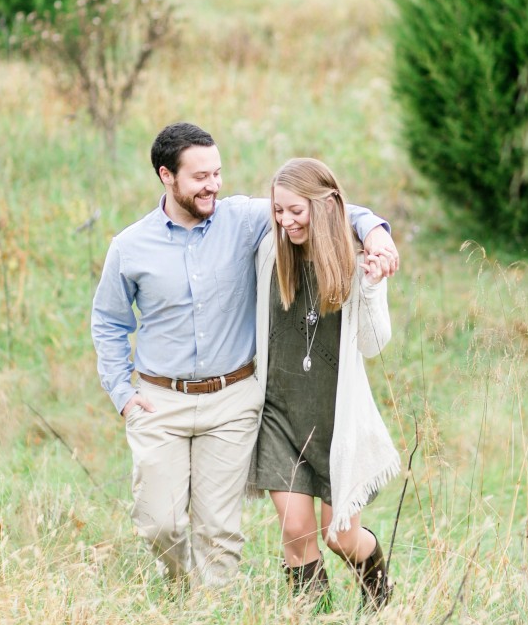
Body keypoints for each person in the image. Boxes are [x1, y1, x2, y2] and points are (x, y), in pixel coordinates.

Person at [91, 123, 399, 588]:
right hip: (180, 402)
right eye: (199, 177)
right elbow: (110, 322)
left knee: (250, 532)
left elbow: (324, 204)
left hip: (261, 405)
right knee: (170, 525)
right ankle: (196, 598)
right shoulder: (134, 246)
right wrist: (122, 392)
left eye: (216, 173)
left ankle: (226, 618)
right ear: (166, 176)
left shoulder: (243, 220)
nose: (212, 184)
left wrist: (374, 231)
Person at [251, 157, 401, 610]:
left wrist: (373, 286)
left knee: (341, 537)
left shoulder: (358, 263)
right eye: (278, 210)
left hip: (337, 421)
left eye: (296, 211)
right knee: (296, 530)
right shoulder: (267, 253)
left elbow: (374, 345)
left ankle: (380, 596)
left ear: (325, 203)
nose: (285, 220)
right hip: (279, 413)